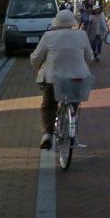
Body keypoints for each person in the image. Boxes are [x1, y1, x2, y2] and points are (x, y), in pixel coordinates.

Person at [30, 9, 93, 150]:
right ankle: (72, 135)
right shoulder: (82, 35)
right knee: (74, 104)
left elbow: (36, 57)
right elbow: (90, 56)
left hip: (53, 78)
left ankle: (47, 134)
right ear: (72, 23)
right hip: (77, 78)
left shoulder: (49, 36)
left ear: (56, 23)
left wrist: (37, 66)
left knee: (49, 105)